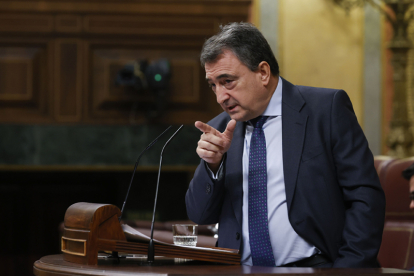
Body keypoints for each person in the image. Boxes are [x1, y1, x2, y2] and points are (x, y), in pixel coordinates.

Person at [185, 22, 385, 268]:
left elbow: (365, 197)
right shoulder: (220, 128)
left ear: (263, 73)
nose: (220, 97)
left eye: (227, 81)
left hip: (317, 267)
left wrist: (347, 270)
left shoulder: (326, 110)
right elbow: (199, 215)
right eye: (213, 85)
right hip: (240, 269)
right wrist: (212, 166)